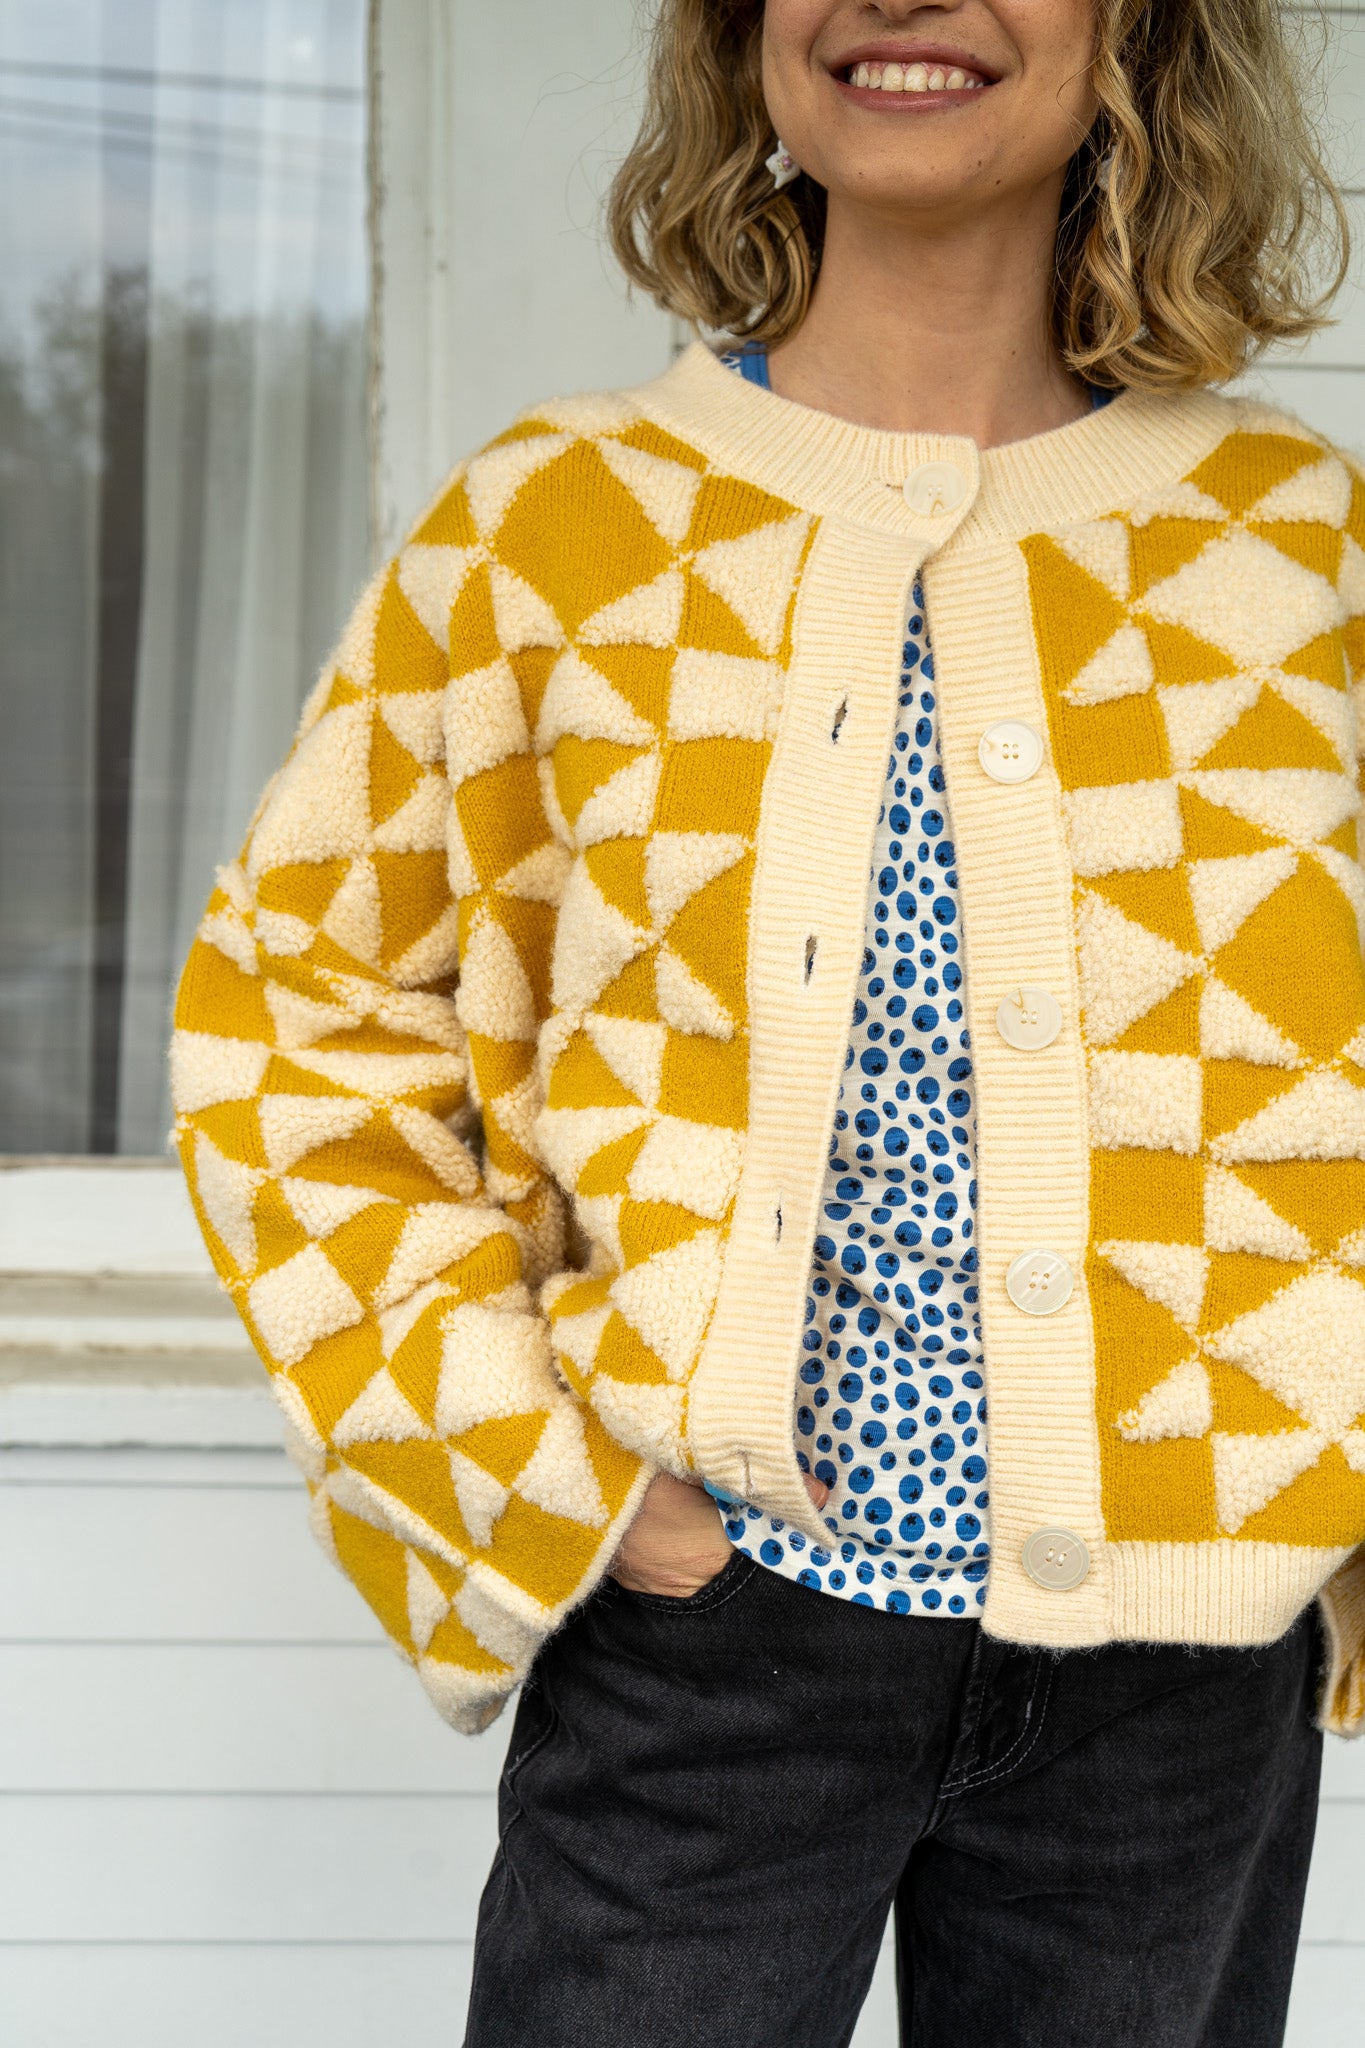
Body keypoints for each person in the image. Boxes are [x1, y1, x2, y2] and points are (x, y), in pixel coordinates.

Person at [170, 2, 1365, 2042]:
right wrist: (555, 1485)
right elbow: (292, 1032)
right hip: (713, 1651)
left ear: (1138, 34)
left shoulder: (1296, 557)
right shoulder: (552, 532)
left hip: (1174, 1688)